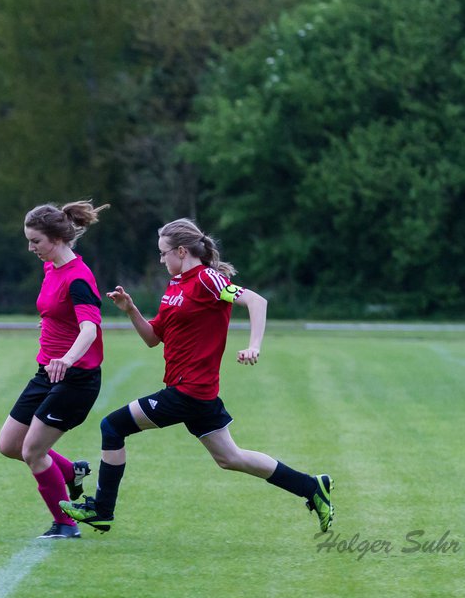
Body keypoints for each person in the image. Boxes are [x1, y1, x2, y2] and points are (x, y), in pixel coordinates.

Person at [61, 218, 333, 534]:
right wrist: (131, 310)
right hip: (194, 393)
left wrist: (253, 345)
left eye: (163, 253)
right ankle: (312, 487)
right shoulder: (175, 285)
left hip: (189, 391)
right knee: (230, 458)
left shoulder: (208, 280)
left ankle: (101, 510)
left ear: (180, 250)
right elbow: (153, 338)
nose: (161, 259)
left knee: (112, 426)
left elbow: (256, 301)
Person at [0, 200, 110, 539]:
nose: (31, 248)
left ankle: (65, 523)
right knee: (9, 445)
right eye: (29, 240)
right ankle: (72, 472)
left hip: (76, 379)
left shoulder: (79, 277)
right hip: (47, 373)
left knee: (33, 451)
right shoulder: (51, 267)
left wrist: (67, 358)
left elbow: (89, 330)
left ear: (57, 239)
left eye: (36, 241)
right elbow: (56, 310)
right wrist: (49, 327)